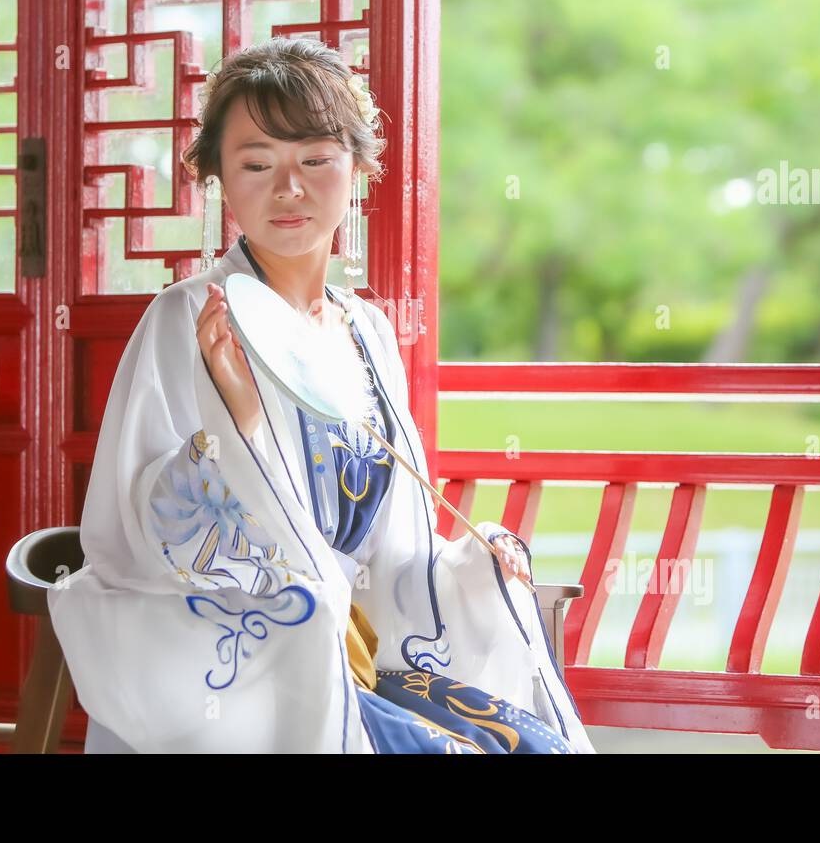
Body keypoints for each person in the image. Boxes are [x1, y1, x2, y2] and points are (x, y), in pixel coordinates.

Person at [48, 37, 597, 753]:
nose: (289, 189)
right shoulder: (185, 319)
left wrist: (472, 562)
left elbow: (396, 543)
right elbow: (141, 542)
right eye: (256, 164)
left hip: (359, 655)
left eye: (315, 160)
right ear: (218, 175)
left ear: (358, 168)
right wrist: (232, 424)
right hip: (256, 659)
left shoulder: (364, 329)